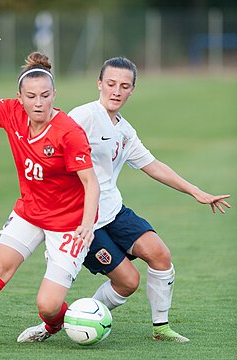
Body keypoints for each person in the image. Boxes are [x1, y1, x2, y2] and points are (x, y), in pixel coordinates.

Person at [19, 57, 231, 343]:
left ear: (132, 90)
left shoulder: (124, 130)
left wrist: (195, 191)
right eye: (111, 84)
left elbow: (152, 165)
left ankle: (161, 328)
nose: (116, 91)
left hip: (114, 211)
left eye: (124, 86)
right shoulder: (83, 117)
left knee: (160, 254)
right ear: (99, 84)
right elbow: (50, 144)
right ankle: (64, 323)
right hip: (84, 220)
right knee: (128, 282)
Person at [0, 25, 99, 354]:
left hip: (69, 223)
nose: (38, 102)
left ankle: (53, 323)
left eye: (45, 95)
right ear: (21, 98)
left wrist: (86, 223)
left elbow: (90, 182)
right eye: (31, 96)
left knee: (48, 304)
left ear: (54, 95)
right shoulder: (12, 113)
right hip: (30, 211)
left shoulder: (68, 132)